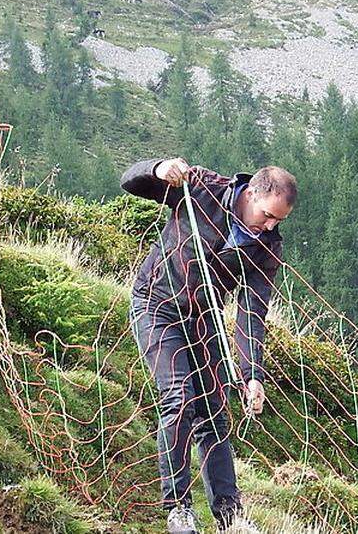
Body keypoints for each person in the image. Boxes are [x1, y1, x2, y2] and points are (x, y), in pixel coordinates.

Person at [121, 158, 297, 533]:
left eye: (278, 222)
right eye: (267, 215)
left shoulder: (266, 249)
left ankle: (229, 515)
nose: (269, 225)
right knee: (179, 398)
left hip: (205, 321)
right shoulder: (200, 186)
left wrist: (252, 375)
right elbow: (130, 182)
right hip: (156, 305)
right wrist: (157, 169)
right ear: (251, 194)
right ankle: (178, 510)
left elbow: (251, 313)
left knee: (215, 415)